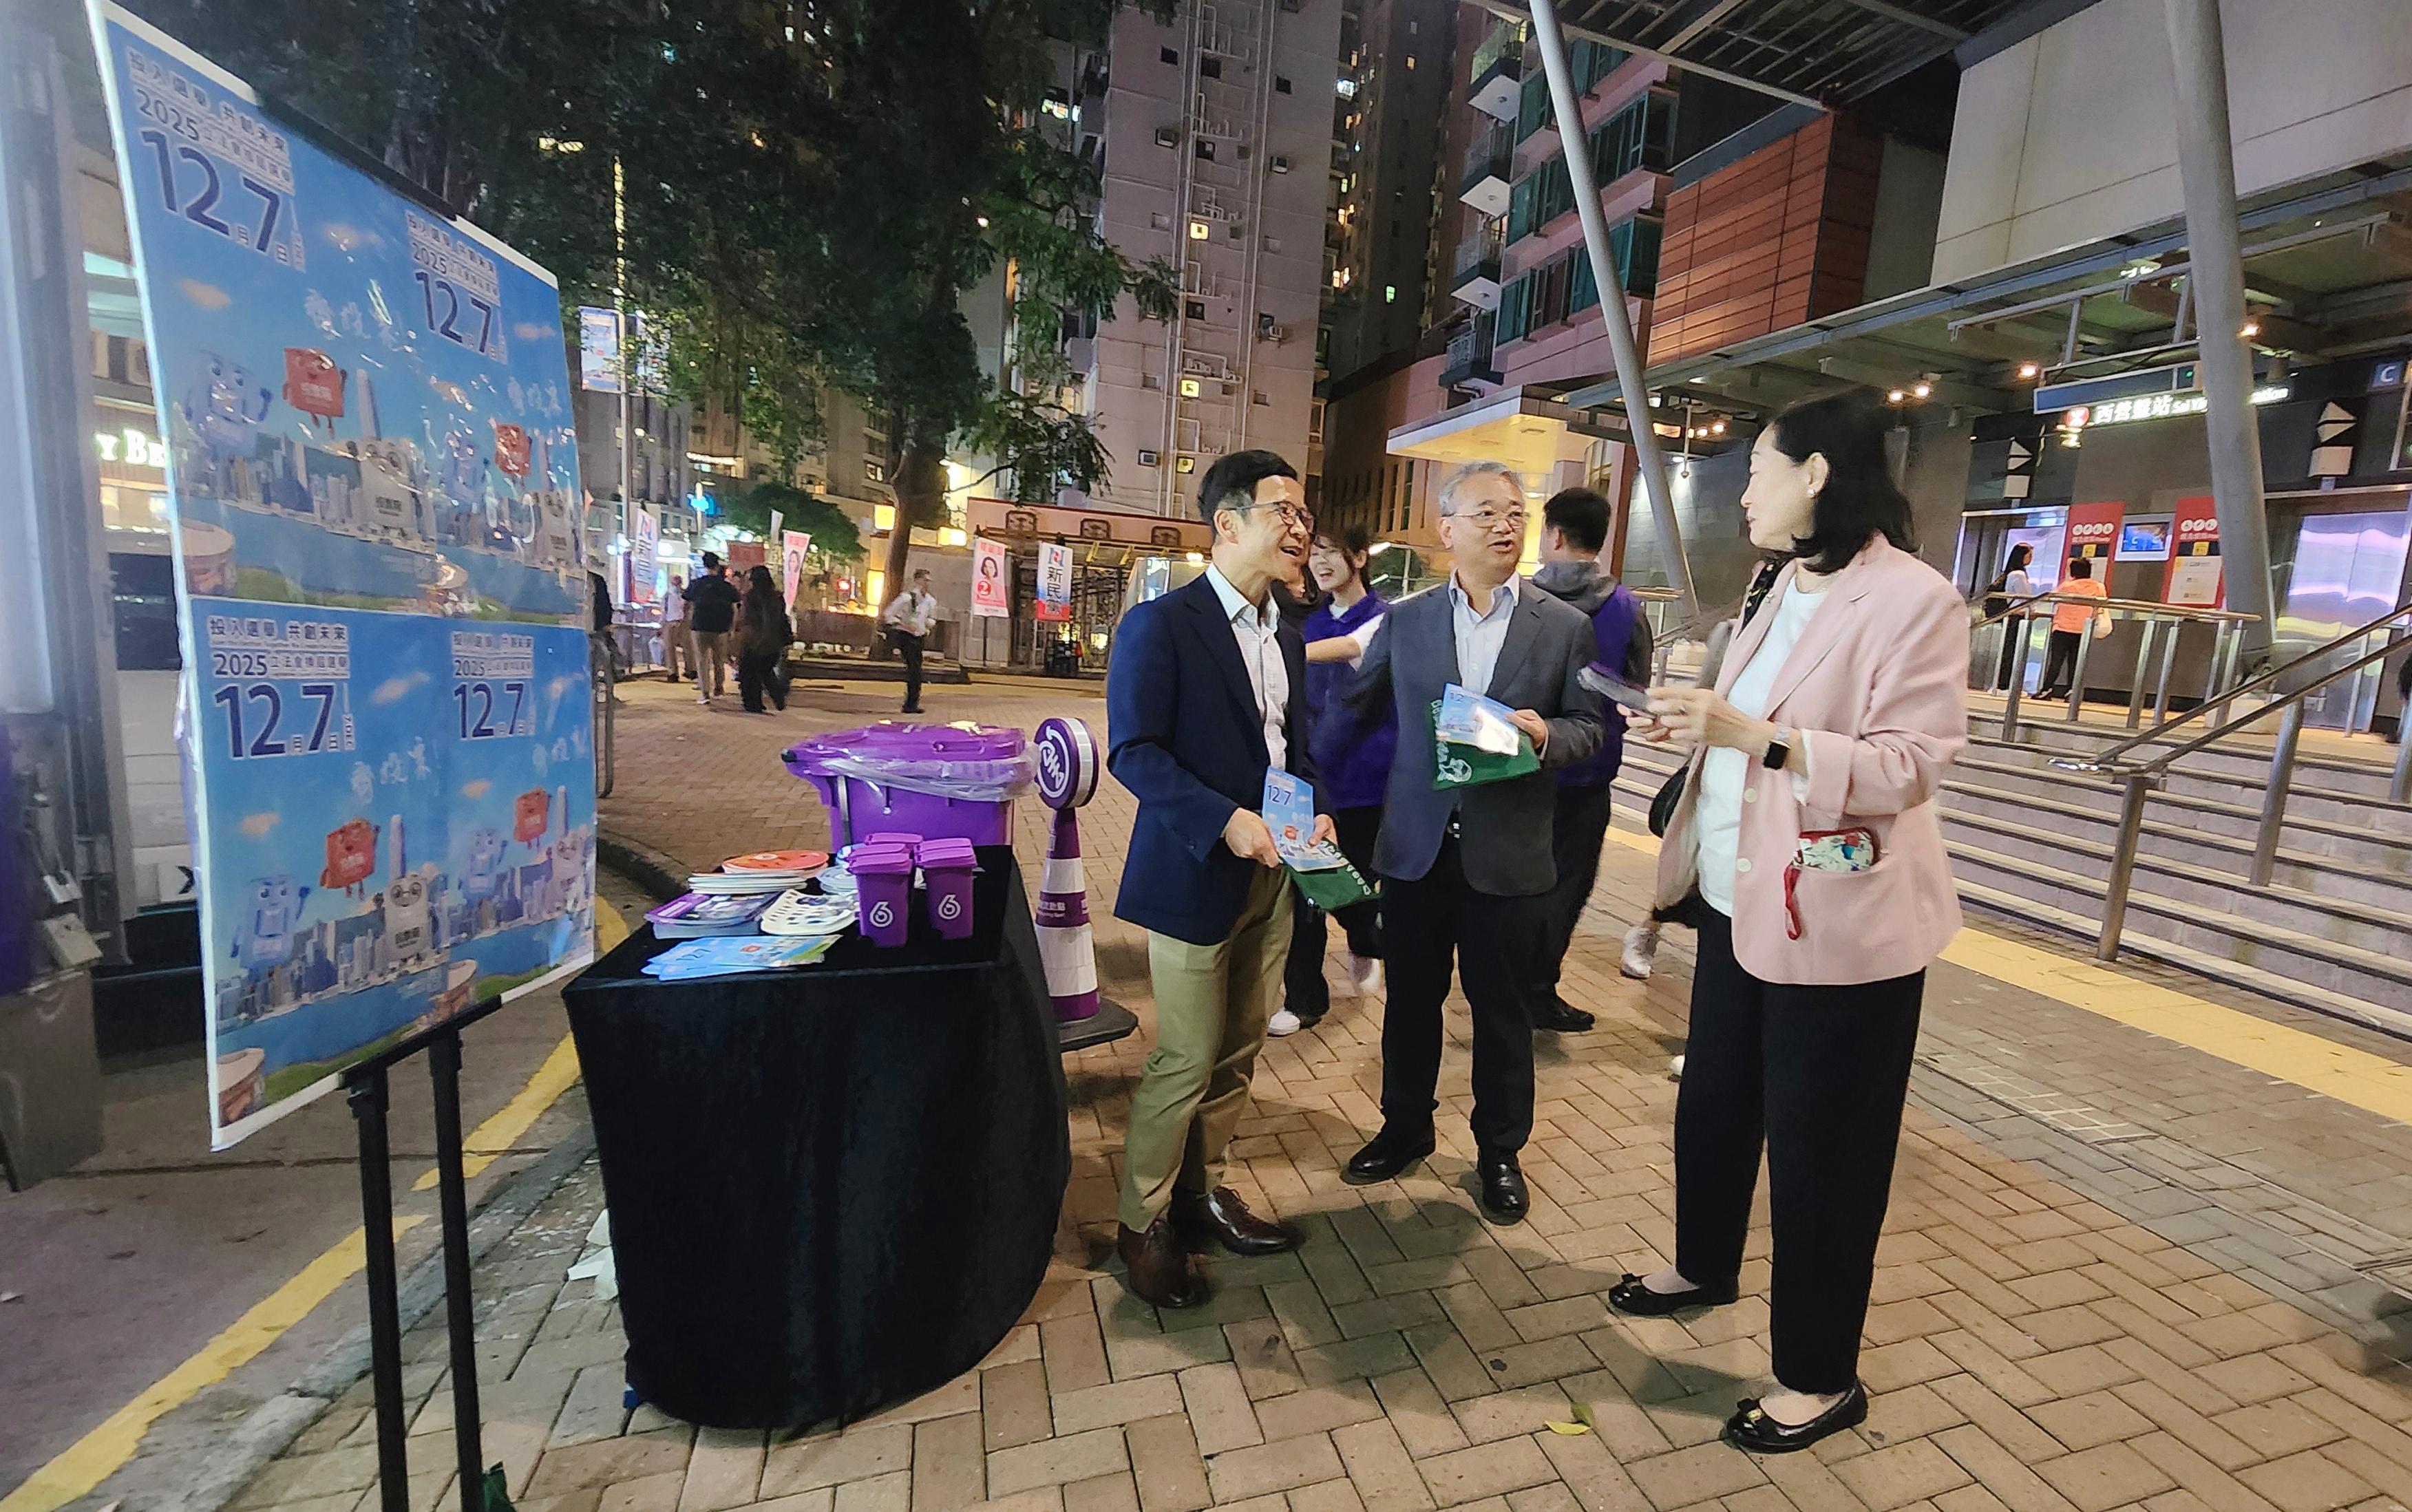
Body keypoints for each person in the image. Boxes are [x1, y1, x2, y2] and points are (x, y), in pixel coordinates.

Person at [1616, 389, 1969, 1454]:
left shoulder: (1915, 600)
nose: (1745, 495)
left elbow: (1914, 764)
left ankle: (1819, 1378)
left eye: (1760, 472)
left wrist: (1757, 736)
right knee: (1716, 1103)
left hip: (1844, 922)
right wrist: (1703, 723)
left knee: (1826, 1154)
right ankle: (1703, 1262)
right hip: (1738, 896)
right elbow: (1746, 721)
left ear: (1817, 475)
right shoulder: (1779, 585)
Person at [1332, 460, 1604, 1225]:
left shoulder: (1564, 627)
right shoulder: (1408, 620)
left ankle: (1500, 1149)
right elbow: (1355, 708)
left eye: (1515, 512)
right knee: (1412, 1003)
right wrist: (1318, 791)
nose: (1505, 525)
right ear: (1446, 529)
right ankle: (1405, 1128)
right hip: (1418, 851)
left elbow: (1591, 731)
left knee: (1502, 1010)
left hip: (1509, 854)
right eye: (1484, 512)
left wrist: (1548, 732)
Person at [1106, 449, 1324, 1307]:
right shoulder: (1161, 626)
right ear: (1226, 523)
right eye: (1284, 512)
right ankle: (1142, 1219)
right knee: (1185, 1056)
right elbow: (1134, 751)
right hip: (1197, 871)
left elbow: (1287, 752)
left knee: (1238, 1049)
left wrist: (1315, 813)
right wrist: (1224, 821)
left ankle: (1203, 1194)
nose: (1300, 527)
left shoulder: (1289, 638)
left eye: (1306, 514)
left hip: (1275, 876)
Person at [1620, 557, 1781, 984]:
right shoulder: (1731, 634)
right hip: (1720, 773)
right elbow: (1705, 701)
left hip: (1766, 786)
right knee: (1686, 872)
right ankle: (1646, 934)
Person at [1525, 487, 1649, 1032]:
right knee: (1567, 884)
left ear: (1553, 534)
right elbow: (1638, 688)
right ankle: (1538, 987)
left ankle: (1505, 980)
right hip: (1589, 772)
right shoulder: (1627, 606)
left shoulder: (1520, 596)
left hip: (1521, 767)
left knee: (1516, 879)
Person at [1269, 523, 1394, 1039]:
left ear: (1360, 557)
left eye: (1330, 554)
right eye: (1312, 555)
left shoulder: (1387, 620)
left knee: (1354, 888)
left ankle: (1368, 936)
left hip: (1365, 779)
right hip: (1309, 779)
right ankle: (1304, 999)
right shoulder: (1308, 620)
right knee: (1306, 892)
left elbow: (1348, 648)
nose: (1319, 563)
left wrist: (1273, 650)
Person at [2038, 555, 2106, 699]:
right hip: (2083, 629)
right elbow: (2100, 607)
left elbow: (2052, 599)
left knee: (2056, 661)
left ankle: (2047, 689)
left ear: (2073, 571)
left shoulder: (2066, 586)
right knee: (2076, 662)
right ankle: (2072, 692)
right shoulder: (2098, 587)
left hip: (2062, 628)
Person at [882, 568, 942, 714]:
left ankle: (912, 702)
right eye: (924, 580)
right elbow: (889, 614)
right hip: (906, 635)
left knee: (916, 670)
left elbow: (931, 618)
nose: (926, 584)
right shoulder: (907, 598)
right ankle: (910, 703)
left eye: (928, 581)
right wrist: (903, 625)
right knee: (914, 669)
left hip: (919, 636)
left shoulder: (930, 601)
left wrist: (927, 627)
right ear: (917, 580)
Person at [734, 565, 792, 714]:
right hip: (774, 641)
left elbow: (748, 619)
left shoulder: (751, 597)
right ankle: (778, 694)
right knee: (765, 671)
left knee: (748, 672)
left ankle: (753, 703)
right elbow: (781, 618)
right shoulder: (777, 597)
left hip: (756, 640)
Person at [684, 552, 740, 705]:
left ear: (704, 565)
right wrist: (732, 628)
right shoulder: (726, 587)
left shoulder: (697, 584)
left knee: (702, 660)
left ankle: (705, 693)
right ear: (717, 565)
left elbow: (688, 603)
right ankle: (719, 687)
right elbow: (735, 607)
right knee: (719, 659)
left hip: (700, 626)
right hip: (721, 627)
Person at [1985, 543, 2035, 692]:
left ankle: (2003, 684)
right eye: (2029, 555)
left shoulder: (2009, 573)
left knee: (2009, 650)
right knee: (2013, 651)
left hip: (2011, 617)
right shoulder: (2018, 575)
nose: (2031, 558)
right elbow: (2026, 598)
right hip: (2017, 616)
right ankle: (2005, 685)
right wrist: (2032, 611)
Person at [662, 574, 690, 682]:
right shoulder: (667, 595)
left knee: (688, 647)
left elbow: (689, 609)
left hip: (683, 622)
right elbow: (664, 611)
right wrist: (662, 625)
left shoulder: (685, 595)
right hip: (670, 622)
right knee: (669, 648)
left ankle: (690, 670)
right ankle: (673, 673)